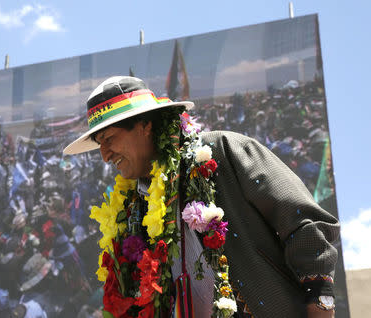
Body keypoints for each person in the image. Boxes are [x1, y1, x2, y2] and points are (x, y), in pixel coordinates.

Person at [63, 76, 339, 317]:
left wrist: (320, 301)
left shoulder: (220, 151)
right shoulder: (132, 210)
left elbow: (303, 220)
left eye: (109, 138)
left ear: (145, 125)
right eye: (99, 144)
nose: (104, 155)